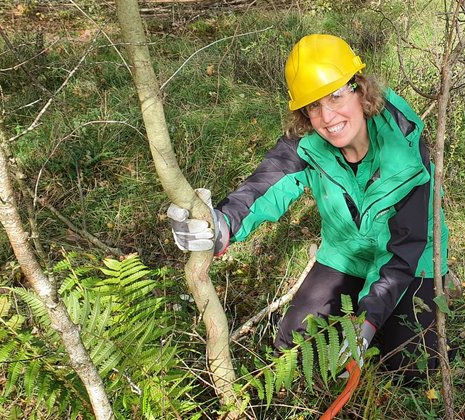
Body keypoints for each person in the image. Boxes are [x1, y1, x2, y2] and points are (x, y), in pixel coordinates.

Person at [167, 34, 449, 381]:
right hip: (344, 253)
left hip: (410, 262)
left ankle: (437, 290)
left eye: (335, 96)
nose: (327, 117)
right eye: (314, 105)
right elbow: (266, 184)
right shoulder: (308, 142)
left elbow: (404, 247)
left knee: (409, 369)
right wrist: (221, 223)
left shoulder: (403, 152)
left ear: (360, 90)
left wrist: (367, 321)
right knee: (293, 349)